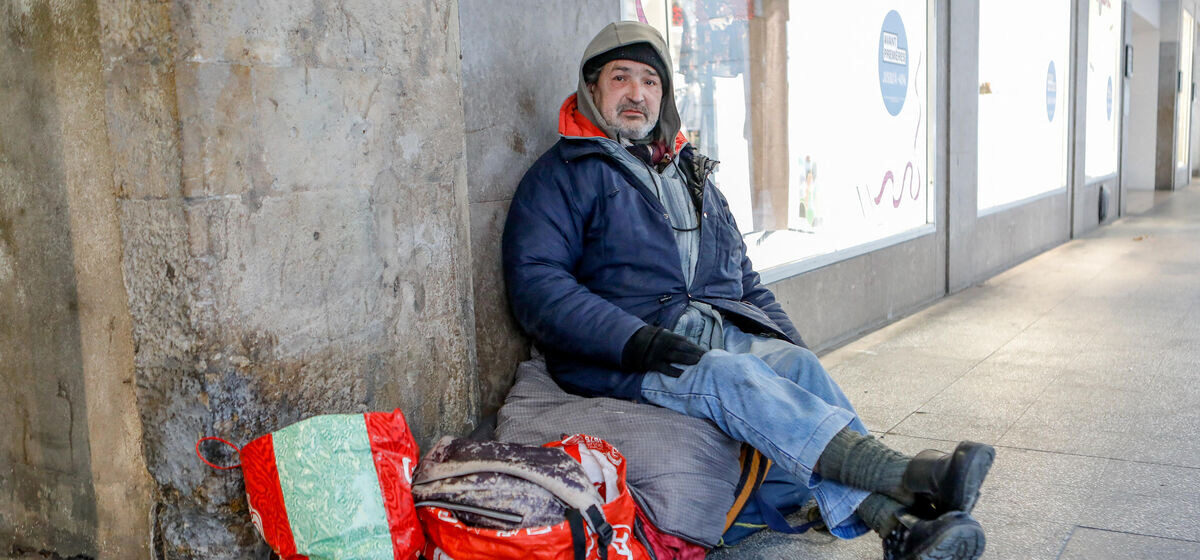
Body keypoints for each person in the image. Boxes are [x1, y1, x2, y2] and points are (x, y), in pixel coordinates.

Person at [501, 21, 993, 560]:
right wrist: (633, 339)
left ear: (664, 96)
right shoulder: (562, 175)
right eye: (621, 78)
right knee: (732, 378)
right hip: (626, 351)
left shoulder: (691, 172)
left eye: (650, 81)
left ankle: (903, 527)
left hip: (712, 329)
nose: (637, 94)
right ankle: (910, 480)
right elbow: (539, 286)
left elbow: (744, 281)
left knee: (798, 370)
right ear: (592, 87)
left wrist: (790, 343)